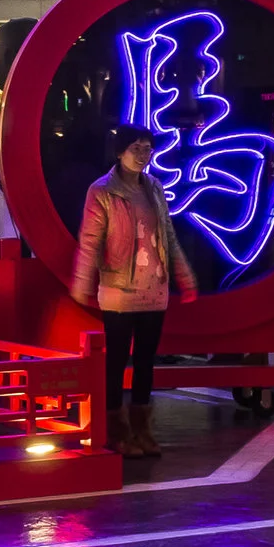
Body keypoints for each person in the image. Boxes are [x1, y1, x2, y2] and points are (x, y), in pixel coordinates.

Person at [72, 124, 198, 459]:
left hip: (154, 289)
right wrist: (82, 283)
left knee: (146, 363)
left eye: (147, 148)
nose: (143, 155)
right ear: (119, 151)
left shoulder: (155, 187)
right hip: (118, 290)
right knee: (115, 362)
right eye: (136, 148)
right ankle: (116, 431)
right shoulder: (102, 191)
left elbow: (168, 236)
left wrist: (184, 277)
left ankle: (142, 429)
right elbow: (89, 241)